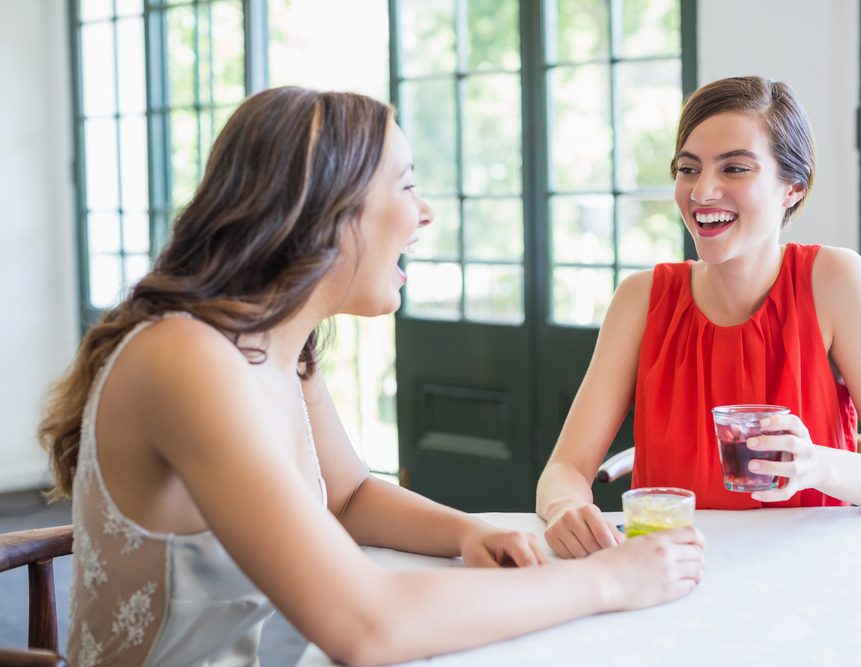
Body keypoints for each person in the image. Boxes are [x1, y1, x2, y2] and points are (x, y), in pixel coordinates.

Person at [38, 87, 704, 667]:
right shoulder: (187, 357)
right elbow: (364, 623)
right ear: (327, 208)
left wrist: (466, 531)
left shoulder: (280, 347)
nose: (426, 213)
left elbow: (348, 495)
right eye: (407, 184)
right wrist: (608, 583)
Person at [536, 76, 861, 559]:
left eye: (735, 168)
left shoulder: (836, 281)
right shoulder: (641, 298)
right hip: (670, 571)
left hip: (812, 571)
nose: (703, 191)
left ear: (792, 188)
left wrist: (816, 465)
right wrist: (564, 508)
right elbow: (565, 469)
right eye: (687, 169)